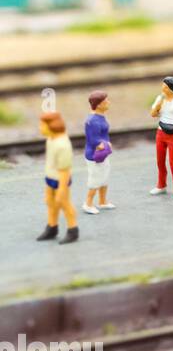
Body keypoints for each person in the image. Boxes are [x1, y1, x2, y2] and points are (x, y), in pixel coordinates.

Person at [37, 111, 78, 244]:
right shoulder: (51, 139)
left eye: (42, 125)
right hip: (50, 178)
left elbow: (65, 170)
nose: (40, 128)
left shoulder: (62, 145)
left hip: (61, 180)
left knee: (65, 204)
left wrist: (62, 188)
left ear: (51, 126)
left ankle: (73, 229)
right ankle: (52, 227)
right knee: (50, 203)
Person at [149, 76, 173, 201]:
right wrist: (158, 105)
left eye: (165, 87)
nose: (163, 88)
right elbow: (153, 114)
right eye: (163, 86)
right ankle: (161, 185)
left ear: (172, 89)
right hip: (160, 133)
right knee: (160, 162)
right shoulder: (160, 99)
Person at [82, 90, 114, 214]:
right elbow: (93, 139)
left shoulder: (100, 117)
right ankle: (88, 203)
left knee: (104, 178)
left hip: (104, 154)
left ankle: (102, 201)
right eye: (106, 101)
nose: (109, 103)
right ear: (99, 104)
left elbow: (103, 134)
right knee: (95, 180)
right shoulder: (93, 120)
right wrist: (103, 144)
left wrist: (106, 143)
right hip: (95, 155)